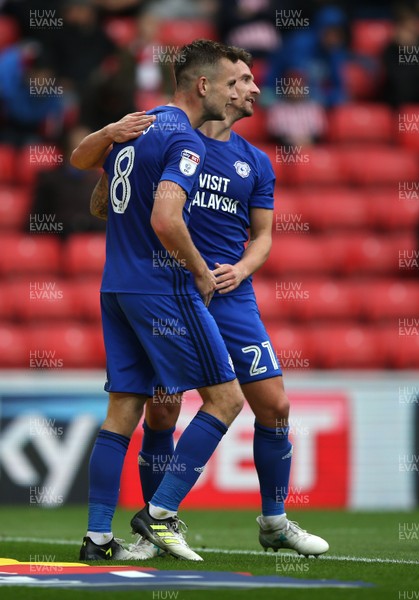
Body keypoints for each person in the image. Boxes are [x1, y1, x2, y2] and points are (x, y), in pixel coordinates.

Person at [72, 48, 329, 559]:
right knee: (167, 408)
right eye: (244, 80)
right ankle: (159, 521)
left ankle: (270, 519)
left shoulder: (252, 160)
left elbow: (263, 237)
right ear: (213, 87)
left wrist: (242, 269)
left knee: (272, 404)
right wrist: (193, 268)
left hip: (220, 293)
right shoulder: (170, 136)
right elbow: (148, 213)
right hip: (175, 288)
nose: (254, 89)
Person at [71, 39, 246, 562]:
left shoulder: (137, 127)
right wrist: (200, 273)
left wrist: (107, 138)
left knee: (124, 408)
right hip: (159, 287)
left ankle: (98, 538)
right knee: (226, 399)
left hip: (116, 286)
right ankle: (160, 512)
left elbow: (97, 195)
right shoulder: (184, 141)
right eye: (232, 83)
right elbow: (166, 219)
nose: (238, 93)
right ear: (202, 85)